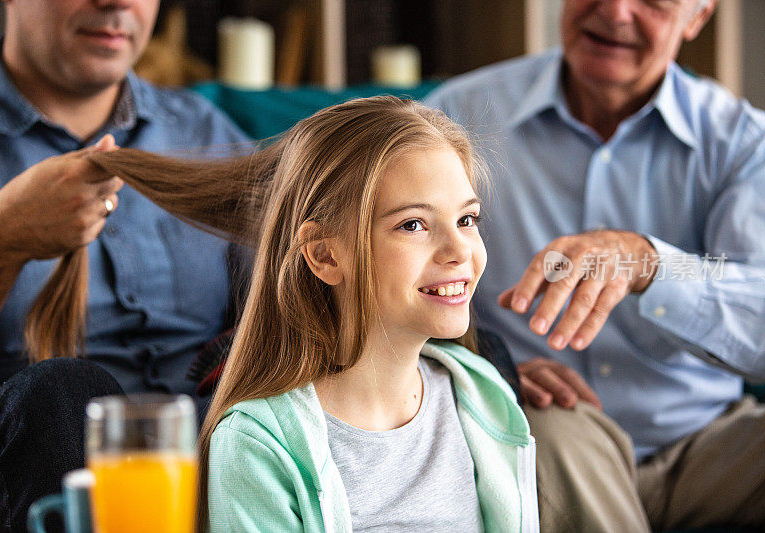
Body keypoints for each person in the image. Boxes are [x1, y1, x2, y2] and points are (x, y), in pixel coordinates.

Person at [83, 96, 539, 532]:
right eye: (413, 225)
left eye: (467, 220)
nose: (460, 250)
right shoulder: (256, 446)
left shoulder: (482, 395)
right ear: (324, 255)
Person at [426, 0, 765, 530]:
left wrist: (650, 264)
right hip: (548, 428)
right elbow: (381, 286)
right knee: (546, 433)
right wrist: (488, 366)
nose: (615, 11)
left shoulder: (744, 144)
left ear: (697, 17)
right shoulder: (458, 117)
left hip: (708, 442)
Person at [0, 0, 249, 529]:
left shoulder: (208, 134)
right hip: (19, 473)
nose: (117, 3)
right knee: (56, 395)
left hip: (213, 458)